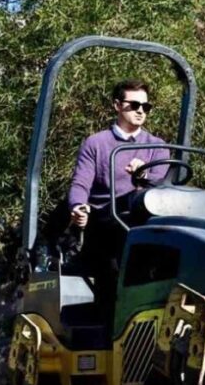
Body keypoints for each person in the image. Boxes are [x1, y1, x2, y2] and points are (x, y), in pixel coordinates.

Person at [43, 79, 170, 310]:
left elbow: (161, 185)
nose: (140, 110)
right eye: (134, 105)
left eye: (145, 106)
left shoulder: (157, 146)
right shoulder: (97, 143)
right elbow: (81, 183)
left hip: (145, 221)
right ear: (117, 105)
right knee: (113, 259)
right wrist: (78, 207)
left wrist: (143, 176)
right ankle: (114, 321)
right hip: (106, 220)